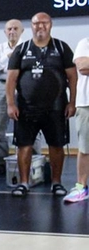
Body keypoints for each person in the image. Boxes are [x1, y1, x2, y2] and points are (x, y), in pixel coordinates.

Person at [6, 12, 76, 198]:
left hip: (56, 108)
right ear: (31, 26)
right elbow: (11, 79)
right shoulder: (21, 49)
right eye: (37, 23)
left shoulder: (61, 48)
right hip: (26, 109)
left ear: (50, 25)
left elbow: (72, 77)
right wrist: (10, 104)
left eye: (44, 23)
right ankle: (23, 183)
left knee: (56, 146)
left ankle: (56, 182)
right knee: (24, 146)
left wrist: (72, 102)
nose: (40, 27)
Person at [0, 20, 24, 176]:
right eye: (9, 29)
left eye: (15, 29)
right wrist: (6, 58)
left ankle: (34, 160)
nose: (12, 31)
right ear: (5, 32)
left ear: (22, 31)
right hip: (1, 85)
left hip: (23, 85)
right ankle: (1, 163)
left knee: (29, 124)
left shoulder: (27, 47)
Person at [67, 36, 89, 204]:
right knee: (85, 147)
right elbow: (83, 67)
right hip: (86, 103)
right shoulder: (85, 42)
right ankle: (81, 187)